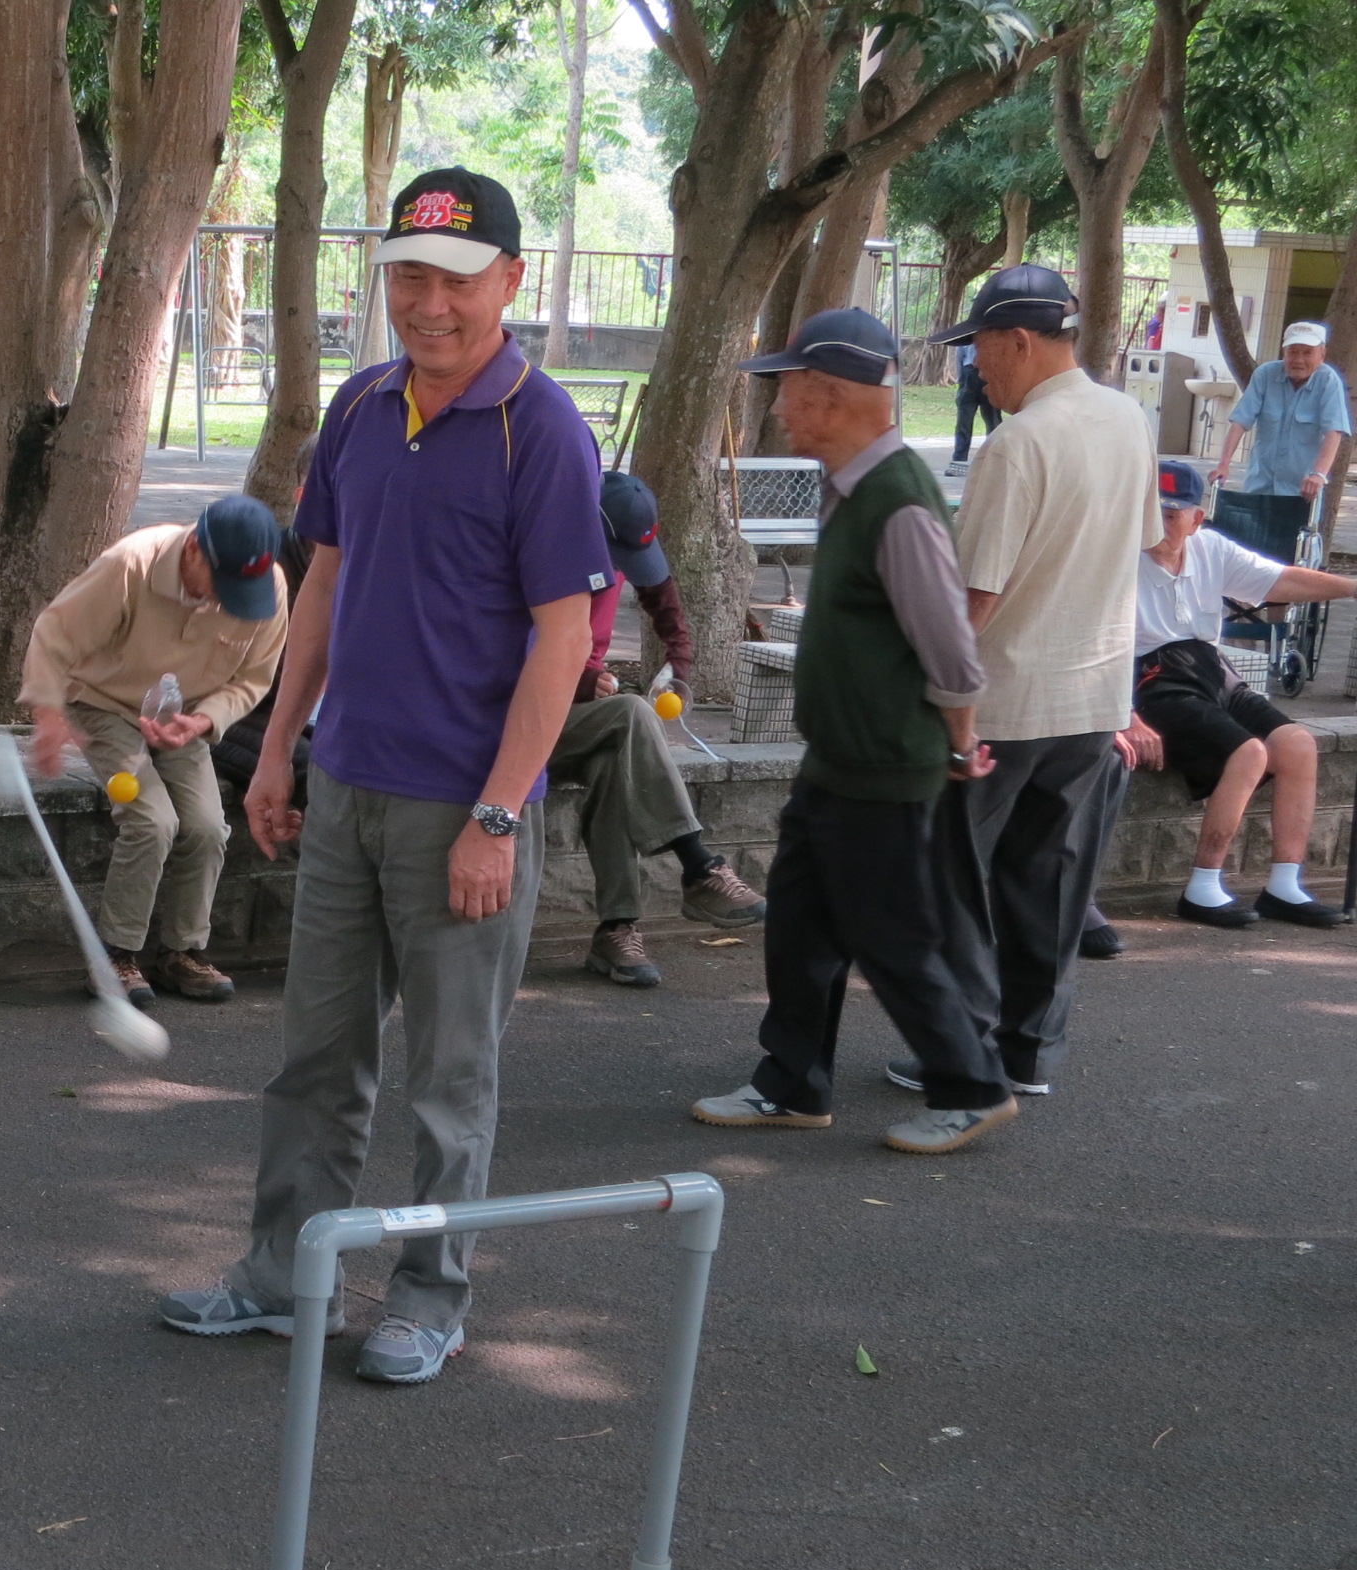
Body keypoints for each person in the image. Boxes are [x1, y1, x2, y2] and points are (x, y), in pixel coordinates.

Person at [155, 166, 601, 1385]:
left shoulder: (541, 430)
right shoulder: (356, 409)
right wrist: (280, 748)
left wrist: (498, 816)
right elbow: (321, 589)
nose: (429, 303)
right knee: (315, 1058)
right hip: (344, 787)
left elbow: (562, 639)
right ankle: (277, 1274)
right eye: (407, 275)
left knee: (450, 1077)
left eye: (455, 280)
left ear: (508, 283)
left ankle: (429, 1297)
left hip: (465, 807)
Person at [690, 309, 1017, 1155]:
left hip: (882, 765)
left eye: (789, 391)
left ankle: (971, 1084)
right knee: (801, 923)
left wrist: (958, 744)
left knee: (891, 930)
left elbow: (948, 645)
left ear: (827, 396)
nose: (780, 410)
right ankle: (792, 1082)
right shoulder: (854, 489)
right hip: (839, 760)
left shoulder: (896, 499)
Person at [908, 263, 1161, 1100]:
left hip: (1005, 703)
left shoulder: (1018, 444)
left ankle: (960, 1052)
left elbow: (972, 598)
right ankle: (1027, 1056)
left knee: (947, 883)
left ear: (1019, 340)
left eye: (979, 347)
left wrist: (930, 698)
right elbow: (1142, 544)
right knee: (1050, 885)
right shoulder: (1130, 419)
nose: (974, 367)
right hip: (1091, 699)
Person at [21, 492, 289, 1007]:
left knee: (209, 826)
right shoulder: (130, 564)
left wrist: (204, 720)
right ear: (194, 549)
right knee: (152, 820)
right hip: (103, 702)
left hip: (181, 714)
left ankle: (182, 952)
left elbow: (254, 678)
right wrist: (49, 714)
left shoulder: (268, 586)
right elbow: (54, 634)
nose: (227, 602)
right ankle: (115, 955)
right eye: (224, 585)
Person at [553, 470, 765, 987]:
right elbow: (499, 645)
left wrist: (680, 666)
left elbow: (662, 597)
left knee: (613, 764)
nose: (625, 567)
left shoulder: (623, 538)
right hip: (514, 720)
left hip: (573, 720)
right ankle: (699, 865)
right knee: (630, 713)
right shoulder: (544, 549)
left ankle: (616, 929)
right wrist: (582, 680)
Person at [1128, 456, 1357, 929]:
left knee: (1297, 744)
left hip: (1211, 668)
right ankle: (1203, 886)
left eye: (1172, 514)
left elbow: (1281, 580)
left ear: (1196, 518)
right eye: (1152, 511)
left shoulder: (1211, 548)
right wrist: (1123, 714)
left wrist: (1351, 588)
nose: (1159, 524)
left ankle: (1284, 885)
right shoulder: (1119, 559)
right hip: (1153, 678)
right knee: (1250, 752)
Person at [1214, 321, 1349, 509]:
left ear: (1322, 355)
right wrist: (1224, 464)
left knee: (1296, 537)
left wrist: (1319, 474)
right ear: (1283, 352)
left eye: (1307, 352)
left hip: (1302, 491)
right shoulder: (1265, 375)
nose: (1299, 360)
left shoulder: (1328, 381)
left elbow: (1334, 431)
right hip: (1260, 484)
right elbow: (1240, 421)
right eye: (1292, 352)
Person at [949, 338, 999, 474]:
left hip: (988, 376)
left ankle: (994, 462)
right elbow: (960, 357)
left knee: (993, 422)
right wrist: (961, 382)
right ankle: (958, 462)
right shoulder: (966, 338)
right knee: (963, 423)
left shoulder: (994, 335)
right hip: (968, 375)